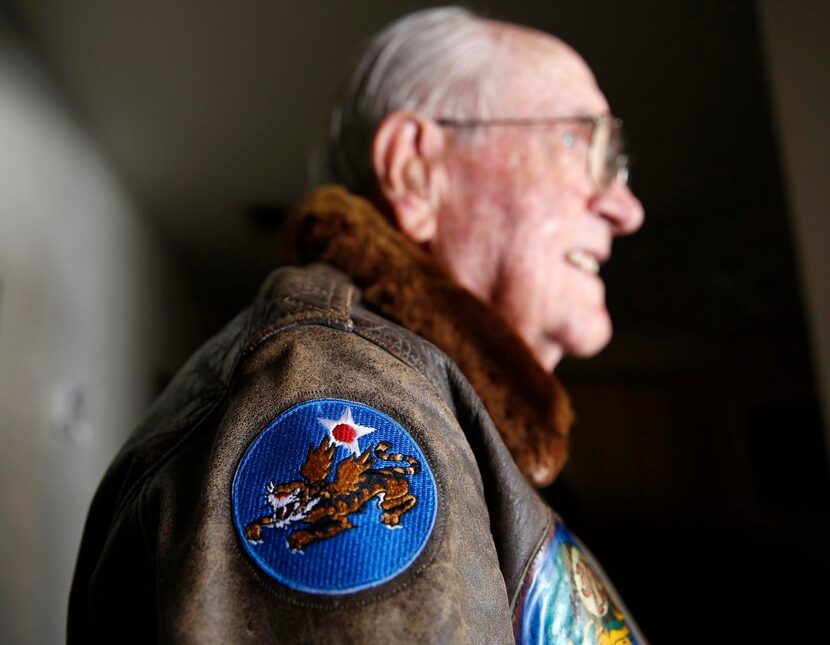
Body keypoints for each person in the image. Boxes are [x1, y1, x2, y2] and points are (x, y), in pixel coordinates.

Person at [69, 7, 646, 644]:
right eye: (580, 141)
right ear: (414, 170)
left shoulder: (421, 395)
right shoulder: (340, 372)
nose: (625, 208)